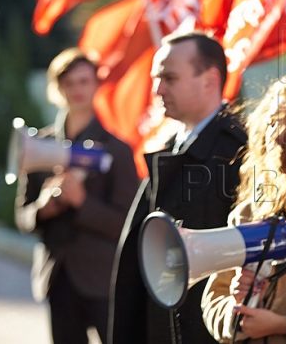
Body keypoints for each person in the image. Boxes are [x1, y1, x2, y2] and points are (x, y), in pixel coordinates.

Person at [109, 31, 247, 344]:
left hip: (201, 330)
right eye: (157, 78)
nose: (157, 89)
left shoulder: (237, 151)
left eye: (169, 78)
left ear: (210, 80)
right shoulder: (174, 145)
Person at [14, 48, 139, 344]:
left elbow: (126, 224)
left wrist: (82, 202)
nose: (77, 90)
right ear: (57, 89)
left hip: (103, 280)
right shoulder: (37, 148)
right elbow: (23, 217)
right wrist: (45, 208)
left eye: (84, 81)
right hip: (58, 278)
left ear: (96, 85)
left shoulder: (117, 150)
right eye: (69, 83)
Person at [201, 76, 286, 344]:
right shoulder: (248, 213)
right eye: (272, 122)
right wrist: (239, 308)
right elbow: (213, 300)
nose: (274, 135)